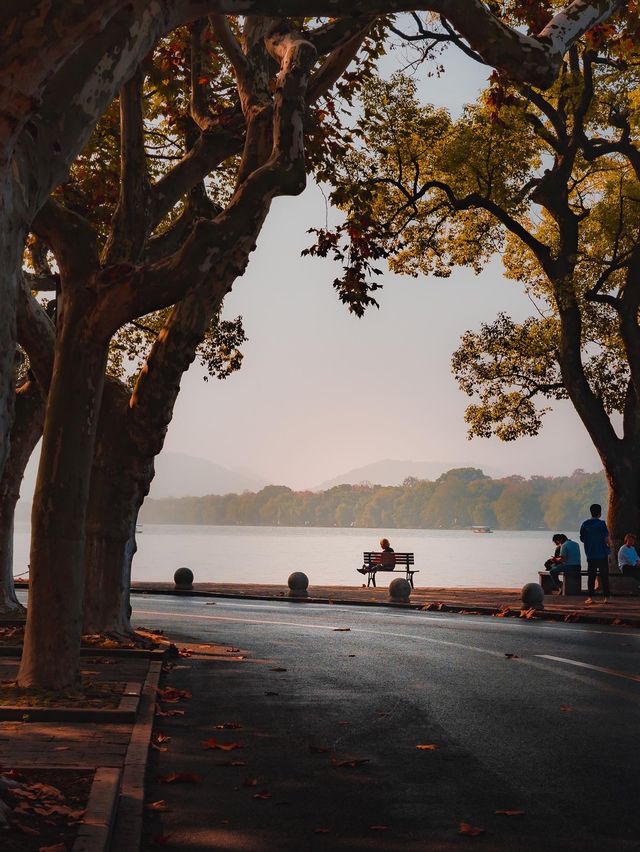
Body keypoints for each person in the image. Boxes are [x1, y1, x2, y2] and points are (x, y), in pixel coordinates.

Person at [579, 503, 610, 604]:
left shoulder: (585, 524)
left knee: (591, 577)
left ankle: (591, 597)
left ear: (590, 512)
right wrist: (608, 546)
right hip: (602, 554)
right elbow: (606, 539)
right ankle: (606, 598)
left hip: (591, 554)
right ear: (600, 513)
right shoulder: (602, 524)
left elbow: (583, 539)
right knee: (604, 576)